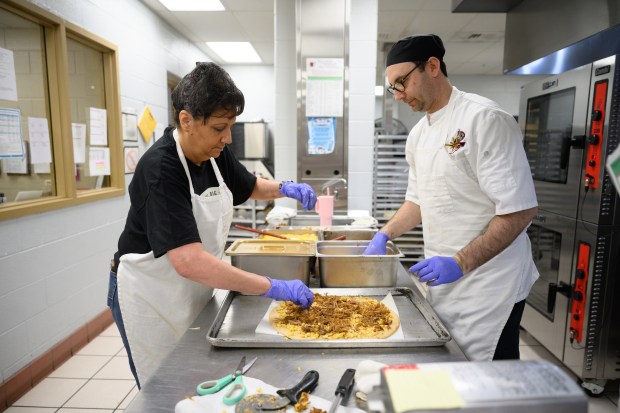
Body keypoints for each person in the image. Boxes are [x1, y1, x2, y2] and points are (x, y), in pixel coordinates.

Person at [108, 62, 316, 388]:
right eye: (220, 128)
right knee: (164, 386)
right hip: (151, 293)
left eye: (231, 126)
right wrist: (271, 286)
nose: (228, 138)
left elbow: (247, 187)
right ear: (186, 120)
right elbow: (188, 260)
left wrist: (285, 188)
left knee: (197, 379)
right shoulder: (161, 169)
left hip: (190, 287)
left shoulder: (215, 151)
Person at [364, 34, 539, 361]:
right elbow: (417, 202)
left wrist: (460, 262)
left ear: (432, 66)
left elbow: (519, 210)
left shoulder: (484, 119)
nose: (399, 95)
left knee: (491, 379)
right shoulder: (418, 135)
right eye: (393, 88)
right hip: (445, 282)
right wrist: (384, 234)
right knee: (455, 368)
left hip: (491, 283)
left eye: (402, 82)